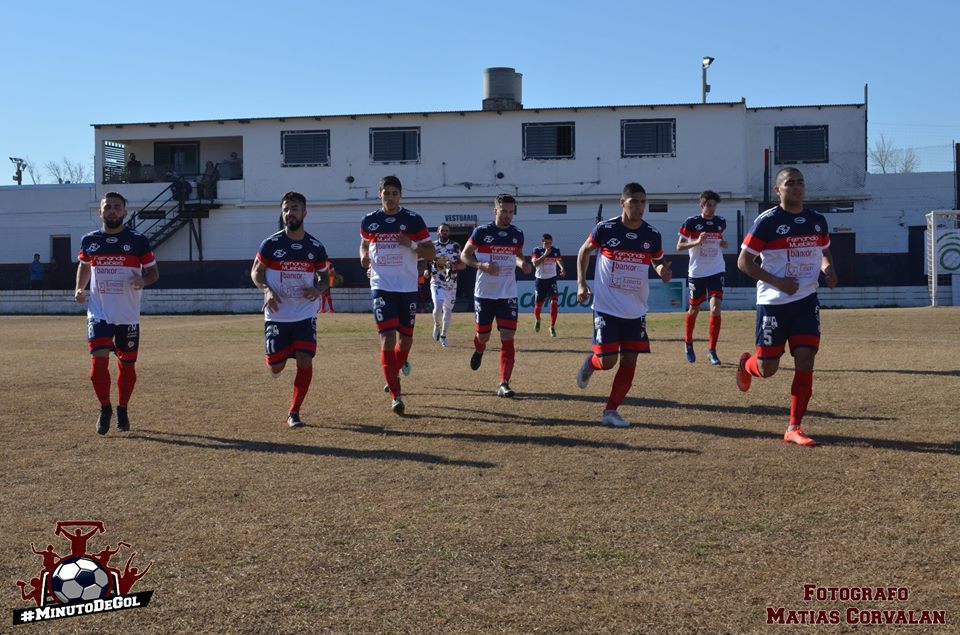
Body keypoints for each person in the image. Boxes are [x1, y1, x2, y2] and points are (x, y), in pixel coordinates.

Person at [736, 167, 838, 447]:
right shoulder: (767, 222)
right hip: (773, 303)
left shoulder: (817, 220)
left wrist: (828, 269)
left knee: (806, 358)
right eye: (790, 183)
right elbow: (743, 263)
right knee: (767, 368)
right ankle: (746, 365)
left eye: (800, 182)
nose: (797, 187)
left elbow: (824, 251)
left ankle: (794, 427)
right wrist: (779, 282)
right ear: (777, 190)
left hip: (806, 301)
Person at [575, 182, 673, 428]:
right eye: (634, 202)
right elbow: (584, 251)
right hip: (607, 307)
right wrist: (581, 283)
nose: (640, 207)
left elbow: (657, 261)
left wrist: (662, 271)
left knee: (630, 360)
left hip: (636, 310)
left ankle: (611, 411)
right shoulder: (606, 229)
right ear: (622, 203)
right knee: (607, 361)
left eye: (643, 202)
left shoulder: (652, 234)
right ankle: (591, 363)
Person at [75, 192, 159, 435]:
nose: (112, 210)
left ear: (124, 212)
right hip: (99, 312)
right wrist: (79, 288)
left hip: (127, 314)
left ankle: (122, 408)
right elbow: (84, 266)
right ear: (100, 211)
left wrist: (143, 280)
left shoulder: (138, 241)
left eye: (116, 207)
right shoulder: (89, 240)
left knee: (128, 366)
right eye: (108, 207)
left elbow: (153, 273)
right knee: (98, 364)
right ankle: (105, 408)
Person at [251, 192, 329, 428]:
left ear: (304, 212)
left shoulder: (315, 247)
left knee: (305, 358)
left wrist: (318, 289)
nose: (289, 213)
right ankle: (278, 357)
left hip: (304, 313)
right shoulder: (271, 244)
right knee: (277, 365)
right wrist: (267, 290)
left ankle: (294, 412)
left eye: (294, 208)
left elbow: (325, 278)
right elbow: (256, 272)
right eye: (286, 209)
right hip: (277, 314)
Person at [359, 176, 435, 415]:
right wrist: (363, 256)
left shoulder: (413, 220)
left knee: (406, 340)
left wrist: (411, 244)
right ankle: (396, 395)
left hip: (407, 287)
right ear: (379, 194)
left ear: (400, 195)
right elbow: (364, 244)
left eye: (394, 193)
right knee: (387, 338)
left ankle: (396, 366)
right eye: (386, 193)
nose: (390, 197)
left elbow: (431, 253)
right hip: (381, 285)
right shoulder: (369, 221)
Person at [460, 193, 532, 398]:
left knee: (507, 337)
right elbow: (464, 255)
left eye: (511, 212)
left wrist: (523, 264)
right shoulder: (482, 232)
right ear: (495, 211)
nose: (508, 215)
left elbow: (516, 255)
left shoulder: (517, 234)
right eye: (504, 211)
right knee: (483, 336)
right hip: (484, 294)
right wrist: (480, 265)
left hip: (507, 294)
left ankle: (504, 383)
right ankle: (479, 349)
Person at [677, 190, 728, 365]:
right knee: (694, 310)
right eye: (709, 205)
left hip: (716, 270)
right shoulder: (691, 222)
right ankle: (688, 343)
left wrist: (723, 243)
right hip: (697, 272)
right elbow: (679, 246)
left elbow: (720, 239)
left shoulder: (720, 222)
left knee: (715, 309)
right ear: (702, 205)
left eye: (714, 205)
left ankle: (712, 351)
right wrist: (697, 242)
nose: (712, 209)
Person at [427, 223, 465, 347]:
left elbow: (463, 264)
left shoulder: (455, 246)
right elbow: (426, 261)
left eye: (446, 230)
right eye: (442, 230)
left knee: (448, 310)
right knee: (438, 307)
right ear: (438, 232)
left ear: (449, 232)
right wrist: (426, 270)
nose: (444, 232)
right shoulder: (432, 246)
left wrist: (455, 267)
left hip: (451, 284)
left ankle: (443, 336)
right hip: (436, 281)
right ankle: (437, 325)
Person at [531, 233, 565, 337]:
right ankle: (538, 319)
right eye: (546, 243)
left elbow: (558, 259)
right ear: (542, 242)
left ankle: (552, 327)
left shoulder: (555, 250)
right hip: (540, 280)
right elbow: (535, 263)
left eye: (550, 243)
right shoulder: (537, 250)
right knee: (538, 304)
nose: (548, 245)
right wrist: (545, 255)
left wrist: (562, 268)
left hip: (552, 280)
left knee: (554, 302)